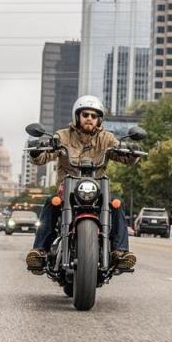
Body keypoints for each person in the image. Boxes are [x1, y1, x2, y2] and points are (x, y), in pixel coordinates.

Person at [25, 95, 141, 274]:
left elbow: (125, 157)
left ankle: (120, 252)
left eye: (94, 116)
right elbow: (42, 158)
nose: (89, 118)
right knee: (52, 202)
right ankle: (40, 250)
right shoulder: (62, 136)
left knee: (116, 204)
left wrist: (133, 152)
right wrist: (37, 150)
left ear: (99, 120)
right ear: (77, 116)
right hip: (68, 187)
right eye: (85, 114)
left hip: (98, 189)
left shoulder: (107, 138)